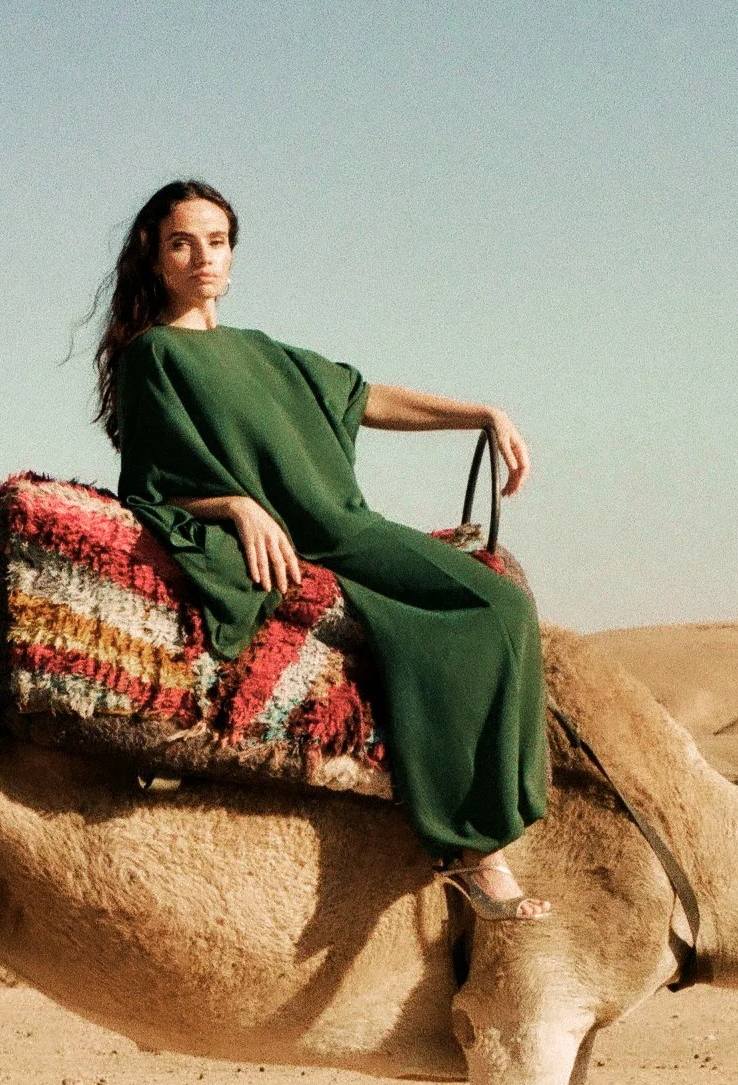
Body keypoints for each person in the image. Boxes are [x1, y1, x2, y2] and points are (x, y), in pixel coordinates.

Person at [92, 179, 552, 920]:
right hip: (309, 542)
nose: (201, 257)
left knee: (500, 601)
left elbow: (364, 398)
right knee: (471, 612)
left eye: (215, 242)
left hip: (347, 525)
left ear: (233, 256)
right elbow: (149, 485)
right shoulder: (155, 357)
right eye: (182, 242)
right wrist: (235, 505)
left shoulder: (264, 352)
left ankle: (495, 816)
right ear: (155, 258)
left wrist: (482, 414)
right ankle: (473, 851)